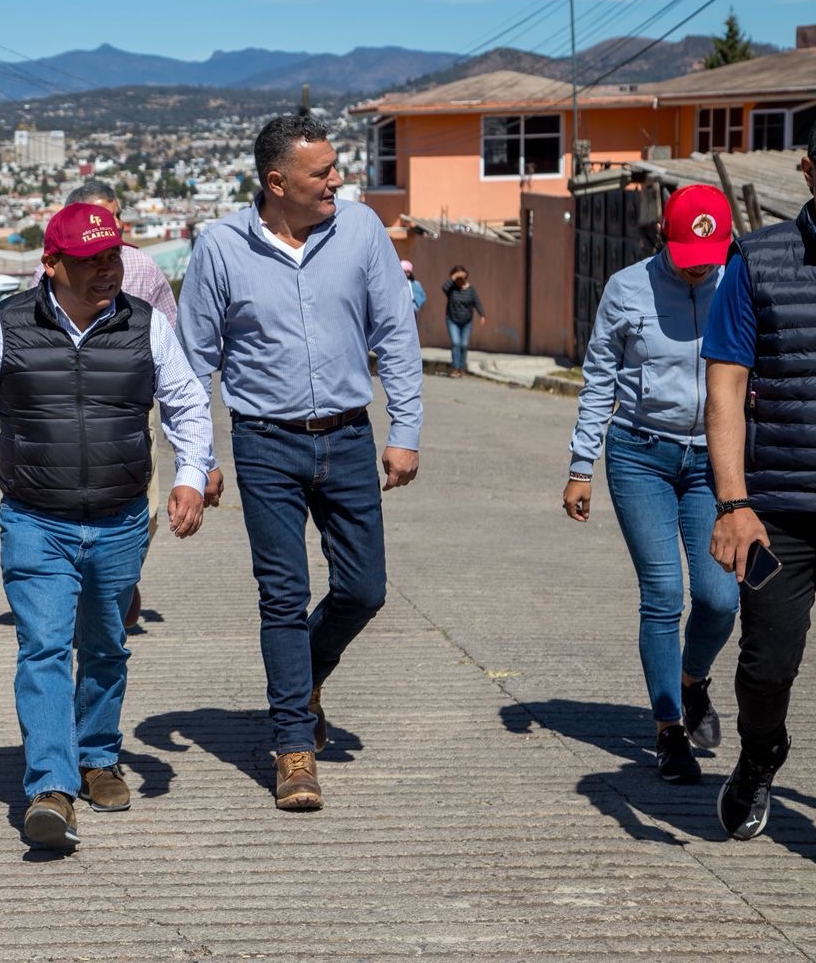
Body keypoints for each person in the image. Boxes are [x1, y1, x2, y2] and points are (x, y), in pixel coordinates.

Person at [0, 201, 214, 851]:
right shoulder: (8, 324)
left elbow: (187, 403)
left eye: (113, 257)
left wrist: (191, 475)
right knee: (45, 649)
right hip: (35, 519)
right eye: (91, 261)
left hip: (119, 520)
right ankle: (51, 787)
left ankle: (98, 756)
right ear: (52, 264)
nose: (108, 271)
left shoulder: (145, 325)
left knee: (106, 646)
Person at [179, 114, 422, 813]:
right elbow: (193, 363)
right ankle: (292, 744)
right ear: (277, 181)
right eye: (323, 172)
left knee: (365, 589)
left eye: (335, 167)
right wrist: (198, 459)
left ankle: (305, 674)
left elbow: (395, 332)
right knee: (282, 595)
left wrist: (405, 428)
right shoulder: (221, 247)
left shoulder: (362, 230)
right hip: (264, 443)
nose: (338, 180)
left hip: (347, 437)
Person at [562, 184, 739, 784]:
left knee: (720, 597)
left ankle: (693, 679)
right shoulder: (626, 288)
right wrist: (580, 466)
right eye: (688, 259)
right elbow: (599, 378)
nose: (698, 271)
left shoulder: (736, 282)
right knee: (663, 594)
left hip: (714, 462)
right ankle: (668, 729)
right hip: (641, 456)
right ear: (664, 237)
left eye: (708, 261)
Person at [703, 115, 816, 842]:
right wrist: (734, 503)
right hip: (778, 508)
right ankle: (759, 755)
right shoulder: (757, 260)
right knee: (766, 667)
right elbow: (725, 387)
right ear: (809, 170)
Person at [28, 180, 183, 631]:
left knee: (143, 505)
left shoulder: (142, 266)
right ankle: (82, 586)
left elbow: (170, 339)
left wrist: (196, 460)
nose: (107, 226)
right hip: (63, 407)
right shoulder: (50, 269)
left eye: (113, 217)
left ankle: (119, 576)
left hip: (130, 409)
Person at [442, 265, 487, 377]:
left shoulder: (470, 290)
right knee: (456, 343)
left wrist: (482, 315)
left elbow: (477, 302)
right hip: (452, 320)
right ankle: (455, 368)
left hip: (467, 322)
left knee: (464, 344)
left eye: (461, 278)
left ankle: (462, 368)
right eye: (457, 278)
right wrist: (454, 277)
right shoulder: (451, 289)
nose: (459, 280)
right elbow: (444, 287)